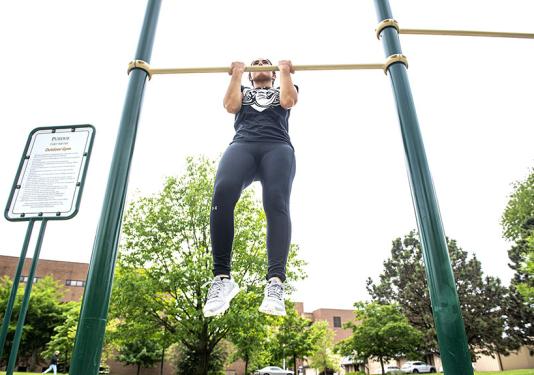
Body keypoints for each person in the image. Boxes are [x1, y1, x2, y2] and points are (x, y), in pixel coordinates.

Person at [203, 58, 299, 317]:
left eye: (265, 62)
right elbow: (230, 105)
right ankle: (222, 279)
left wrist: (284, 71)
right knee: (222, 193)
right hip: (243, 144)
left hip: (276, 146)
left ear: (273, 72)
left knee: (276, 201)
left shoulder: (283, 87)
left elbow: (289, 101)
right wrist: (235, 74)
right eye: (254, 62)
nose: (260, 64)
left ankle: (275, 282)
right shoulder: (242, 91)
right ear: (248, 74)